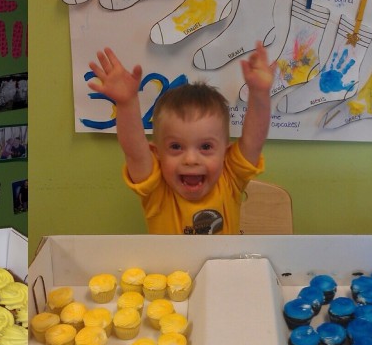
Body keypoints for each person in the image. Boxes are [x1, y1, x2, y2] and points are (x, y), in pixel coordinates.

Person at [86, 42, 276, 235]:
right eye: (176, 146)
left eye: (206, 146)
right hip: (170, 267)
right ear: (156, 153)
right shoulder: (157, 190)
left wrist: (260, 94)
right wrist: (126, 103)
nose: (191, 160)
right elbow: (135, 153)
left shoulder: (230, 178)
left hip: (222, 267)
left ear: (225, 153)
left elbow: (254, 141)